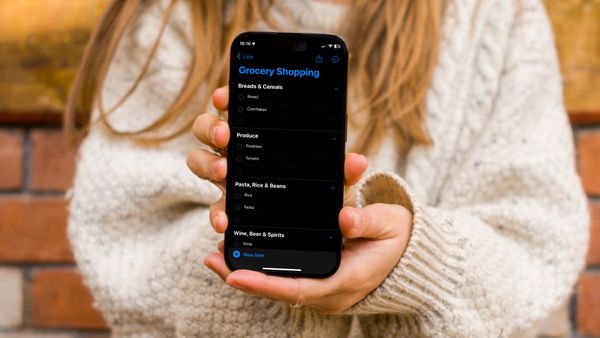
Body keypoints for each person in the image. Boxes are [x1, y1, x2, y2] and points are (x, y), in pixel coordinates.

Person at [65, 0, 590, 337]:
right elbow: (123, 245)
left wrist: (415, 260)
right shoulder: (170, 15)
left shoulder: (496, 16)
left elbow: (532, 240)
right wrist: (251, 263)